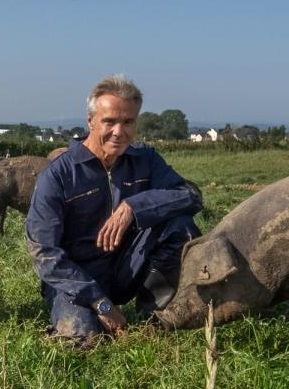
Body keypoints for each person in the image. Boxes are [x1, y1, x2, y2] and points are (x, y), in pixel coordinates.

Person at [25, 75, 202, 347]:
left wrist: (133, 206)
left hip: (127, 266)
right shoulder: (58, 176)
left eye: (128, 122)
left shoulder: (146, 160)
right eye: (109, 122)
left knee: (179, 225)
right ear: (91, 121)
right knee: (83, 338)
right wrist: (101, 303)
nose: (119, 131)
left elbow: (189, 195)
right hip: (77, 278)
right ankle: (85, 319)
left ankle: (155, 315)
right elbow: (44, 254)